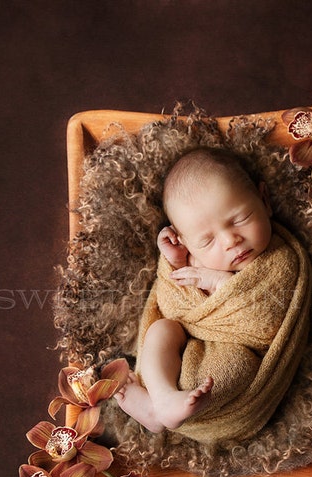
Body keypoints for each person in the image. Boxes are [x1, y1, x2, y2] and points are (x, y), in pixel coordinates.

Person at [114, 146, 274, 433]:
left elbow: (268, 323)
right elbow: (172, 305)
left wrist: (219, 283)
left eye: (239, 219)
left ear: (265, 201)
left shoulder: (279, 259)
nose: (230, 241)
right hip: (185, 345)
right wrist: (175, 264)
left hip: (238, 352)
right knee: (162, 329)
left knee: (239, 364)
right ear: (185, 242)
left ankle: (160, 409)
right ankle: (160, 399)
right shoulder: (192, 258)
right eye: (206, 241)